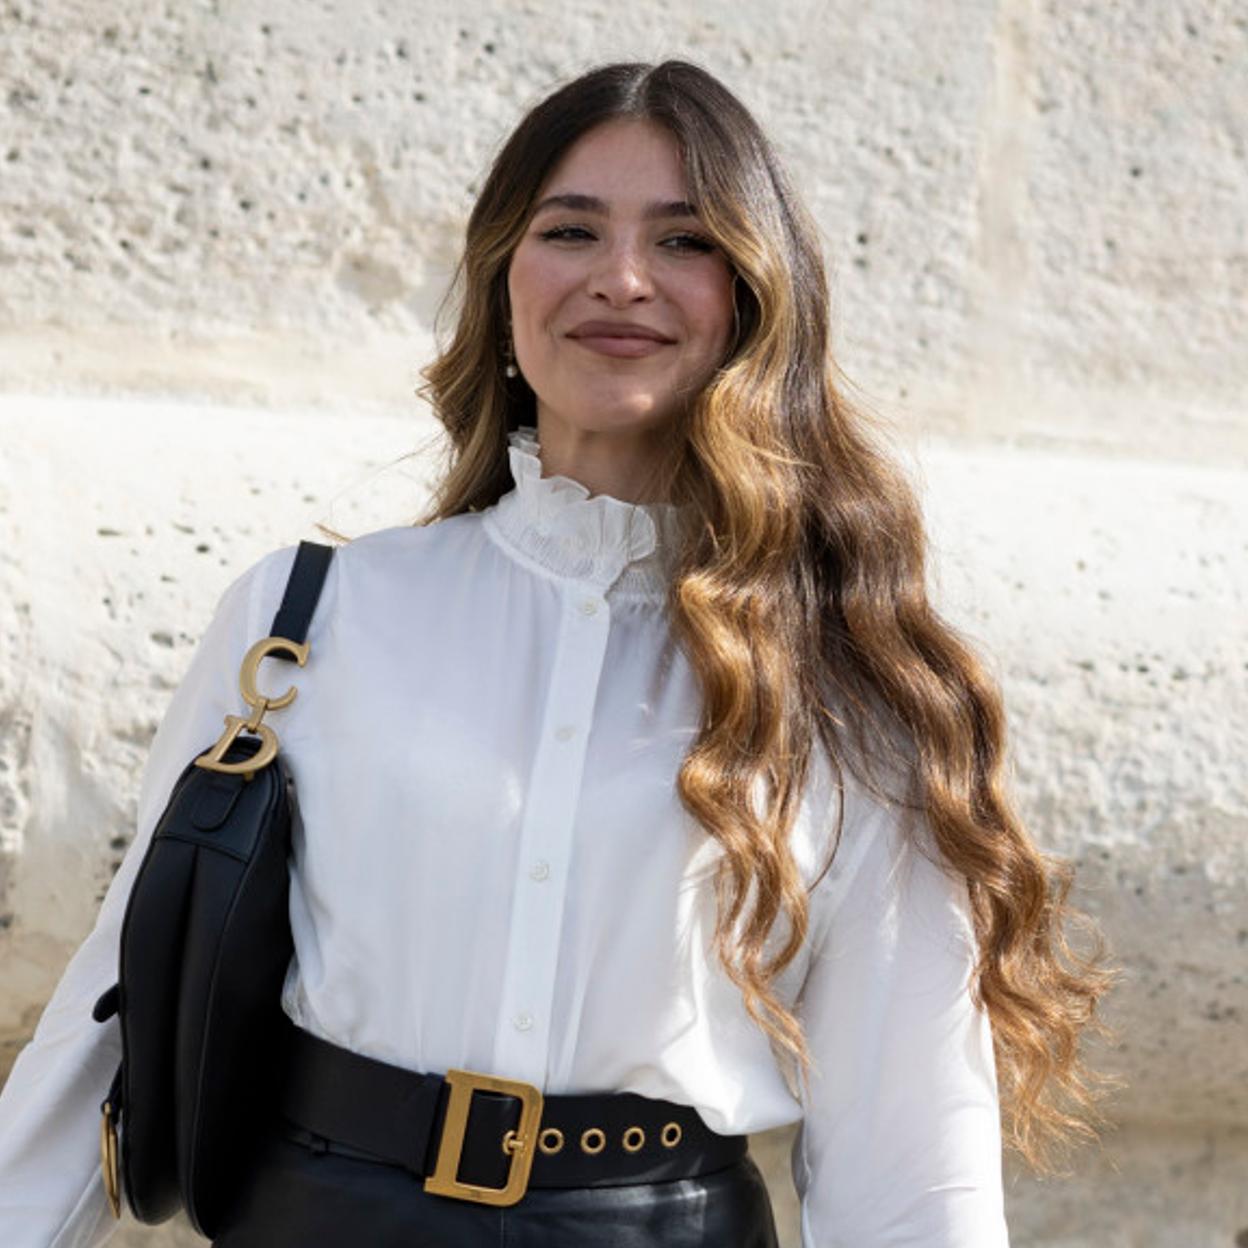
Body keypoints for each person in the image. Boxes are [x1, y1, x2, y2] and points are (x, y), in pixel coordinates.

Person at [0, 59, 1118, 1247]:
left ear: (752, 296)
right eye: (571, 229)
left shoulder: (851, 689)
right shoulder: (309, 616)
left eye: (684, 241)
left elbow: (912, 1164)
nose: (620, 279)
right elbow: (113, 1015)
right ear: (504, 280)